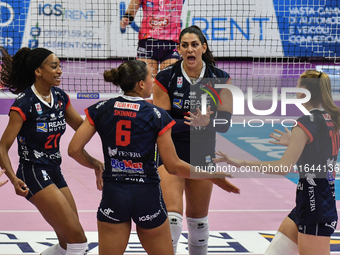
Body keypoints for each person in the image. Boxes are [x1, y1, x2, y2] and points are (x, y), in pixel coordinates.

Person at [67, 59, 239, 255]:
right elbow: (173, 166)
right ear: (141, 84)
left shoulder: (100, 109)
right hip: (146, 196)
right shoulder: (157, 115)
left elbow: (74, 149)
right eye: (150, 77)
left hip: (114, 194)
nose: (153, 81)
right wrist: (210, 175)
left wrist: (96, 164)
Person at [214, 70, 339, 255]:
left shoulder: (306, 122)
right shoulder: (332, 119)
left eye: (298, 85)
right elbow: (322, 153)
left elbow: (282, 168)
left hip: (315, 207)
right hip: (312, 201)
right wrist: (297, 142)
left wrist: (241, 162)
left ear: (304, 91)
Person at [0, 47, 98, 255]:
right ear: (38, 71)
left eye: (59, 66)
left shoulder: (60, 97)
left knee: (67, 242)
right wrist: (13, 178)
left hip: (55, 170)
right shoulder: (24, 104)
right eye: (54, 66)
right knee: (78, 241)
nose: (60, 71)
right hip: (33, 172)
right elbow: (2, 147)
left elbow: (82, 128)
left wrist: (108, 119)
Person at [153, 25, 234, 254]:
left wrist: (207, 123)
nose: (190, 49)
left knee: (198, 222)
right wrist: (193, 123)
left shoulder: (220, 79)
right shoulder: (165, 78)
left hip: (202, 153)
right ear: (179, 49)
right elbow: (161, 123)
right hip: (172, 152)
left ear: (203, 48)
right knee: (173, 219)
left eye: (194, 45)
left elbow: (225, 124)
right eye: (185, 45)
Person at [120, 0, 183, 77]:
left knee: (169, 79)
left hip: (171, 44)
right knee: (147, 80)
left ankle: (199, 88)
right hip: (147, 43)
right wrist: (126, 19)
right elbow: (130, 12)